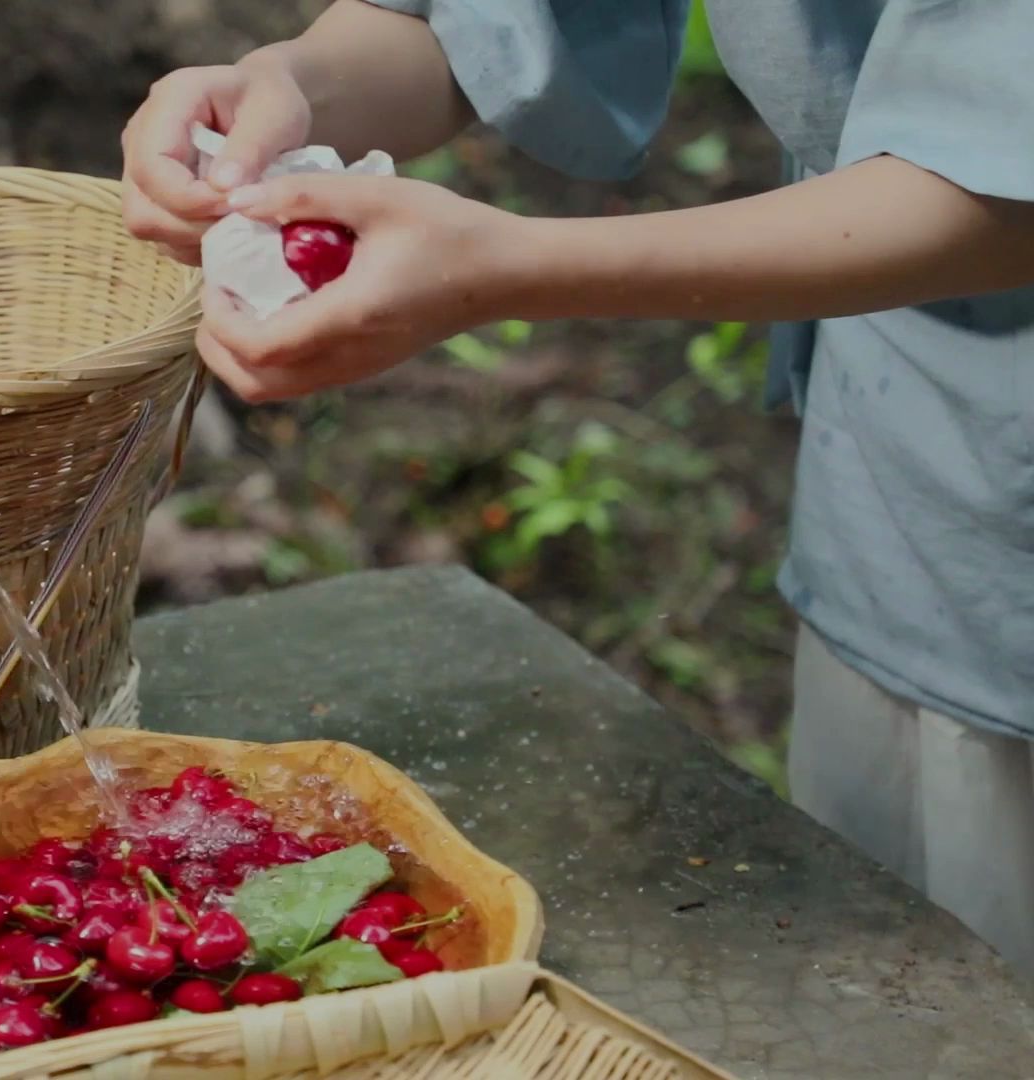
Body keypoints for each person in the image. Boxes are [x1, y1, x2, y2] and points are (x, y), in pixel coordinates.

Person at [120, 0, 1034, 978]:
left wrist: (511, 266)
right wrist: (294, 86)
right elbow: (467, 27)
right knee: (889, 949)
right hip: (897, 469)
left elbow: (996, 182)